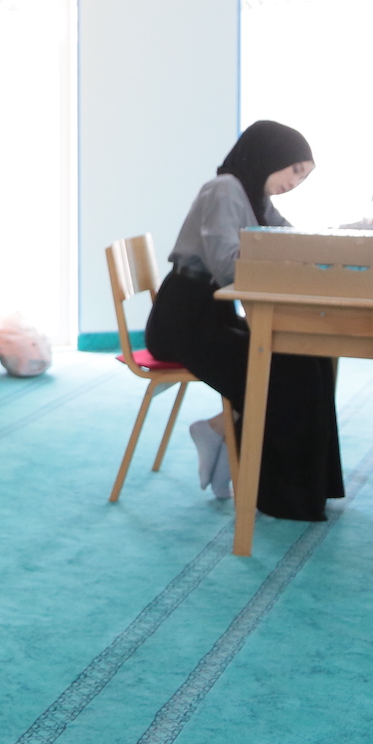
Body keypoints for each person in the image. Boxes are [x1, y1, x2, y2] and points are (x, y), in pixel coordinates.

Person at [146, 121, 344, 520]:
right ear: (271, 156)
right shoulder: (224, 189)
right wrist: (287, 261)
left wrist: (330, 247)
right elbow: (227, 266)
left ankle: (222, 431)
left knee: (309, 356)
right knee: (285, 370)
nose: (295, 183)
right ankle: (277, 492)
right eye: (295, 171)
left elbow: (288, 239)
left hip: (211, 312)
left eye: (303, 177)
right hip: (183, 319)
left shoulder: (254, 195)